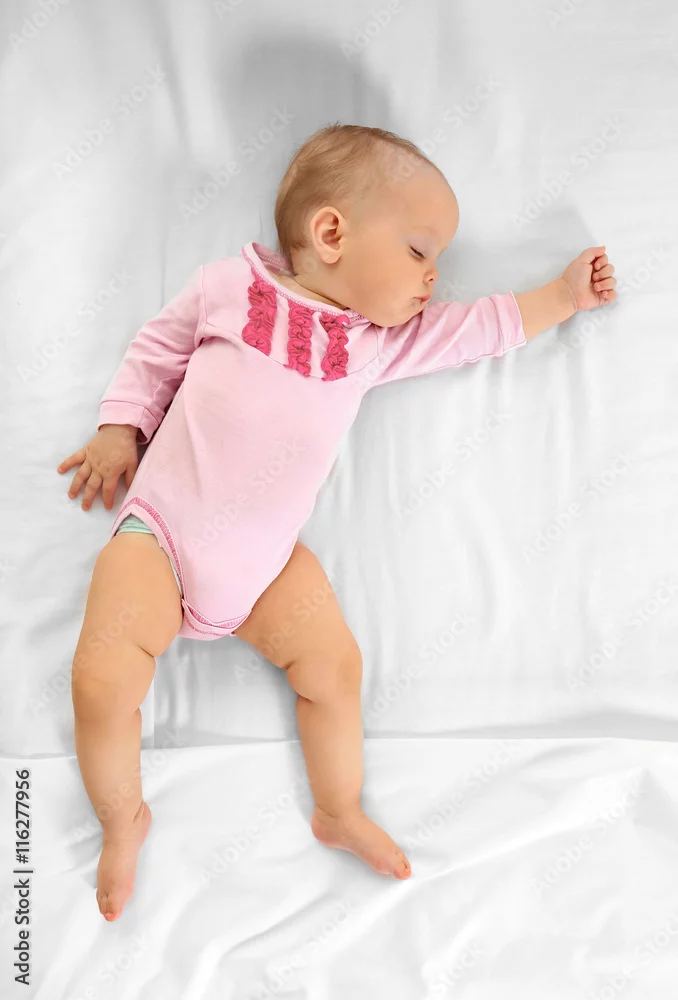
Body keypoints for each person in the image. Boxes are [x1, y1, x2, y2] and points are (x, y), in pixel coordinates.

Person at [57, 123, 617, 921]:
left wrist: (563, 296)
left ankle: (338, 808)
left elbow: (477, 331)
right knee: (102, 678)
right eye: (420, 251)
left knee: (334, 668)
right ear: (330, 233)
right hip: (163, 536)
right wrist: (121, 427)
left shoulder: (373, 344)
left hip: (266, 569)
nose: (434, 276)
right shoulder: (228, 289)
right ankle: (122, 819)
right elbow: (158, 350)